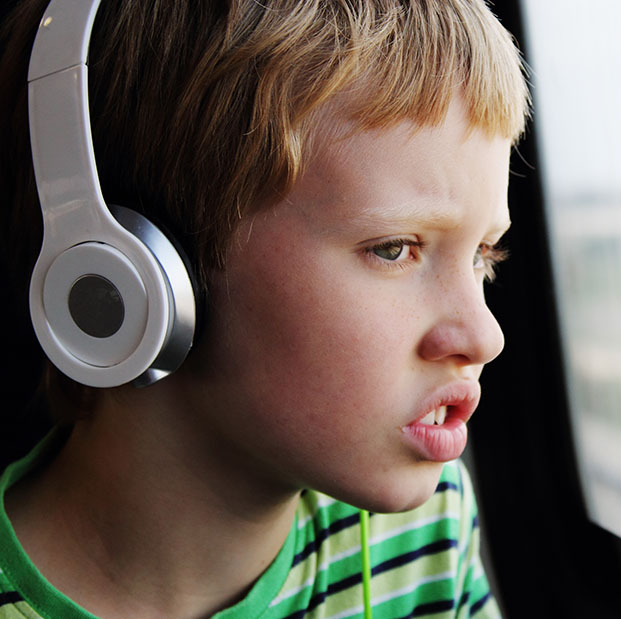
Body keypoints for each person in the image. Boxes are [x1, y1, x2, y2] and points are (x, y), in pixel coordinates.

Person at [0, 0, 529, 617]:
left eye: (483, 256)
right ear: (135, 278)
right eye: (394, 249)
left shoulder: (427, 536)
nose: (484, 335)